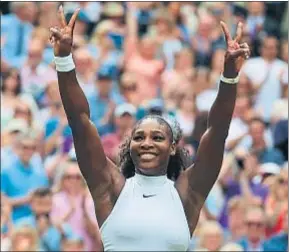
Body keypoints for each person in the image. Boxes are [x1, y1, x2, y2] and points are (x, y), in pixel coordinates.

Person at [49, 6, 250, 251]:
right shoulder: (110, 188)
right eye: (139, 137)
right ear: (129, 145)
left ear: (173, 147)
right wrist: (63, 59)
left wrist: (229, 75)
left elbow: (217, 132)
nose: (147, 143)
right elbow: (79, 122)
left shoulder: (188, 193)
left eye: (157, 137)